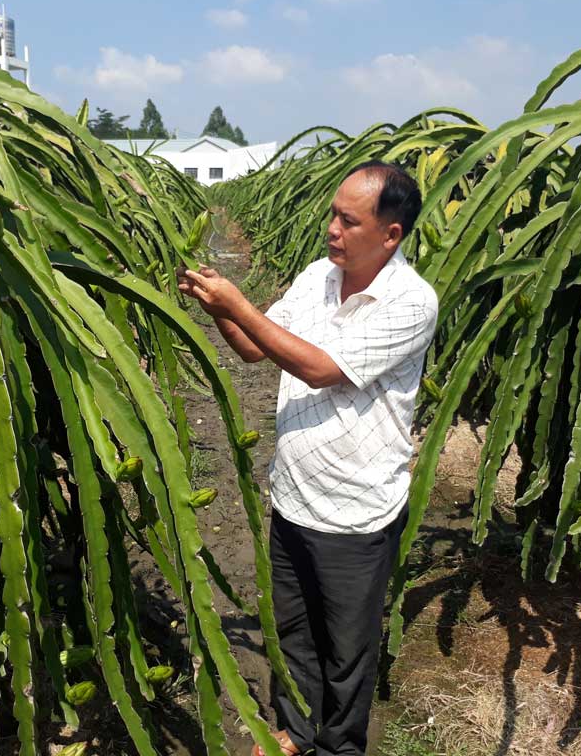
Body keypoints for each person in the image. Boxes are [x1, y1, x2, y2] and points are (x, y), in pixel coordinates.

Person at [177, 161, 438, 756]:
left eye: (348, 221)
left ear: (390, 234)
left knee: (347, 650)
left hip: (356, 510)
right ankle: (295, 731)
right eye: (332, 215)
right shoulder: (318, 277)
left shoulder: (411, 302)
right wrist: (217, 306)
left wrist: (237, 302)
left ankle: (339, 746)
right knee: (293, 632)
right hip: (293, 494)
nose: (332, 230)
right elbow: (253, 348)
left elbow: (320, 369)